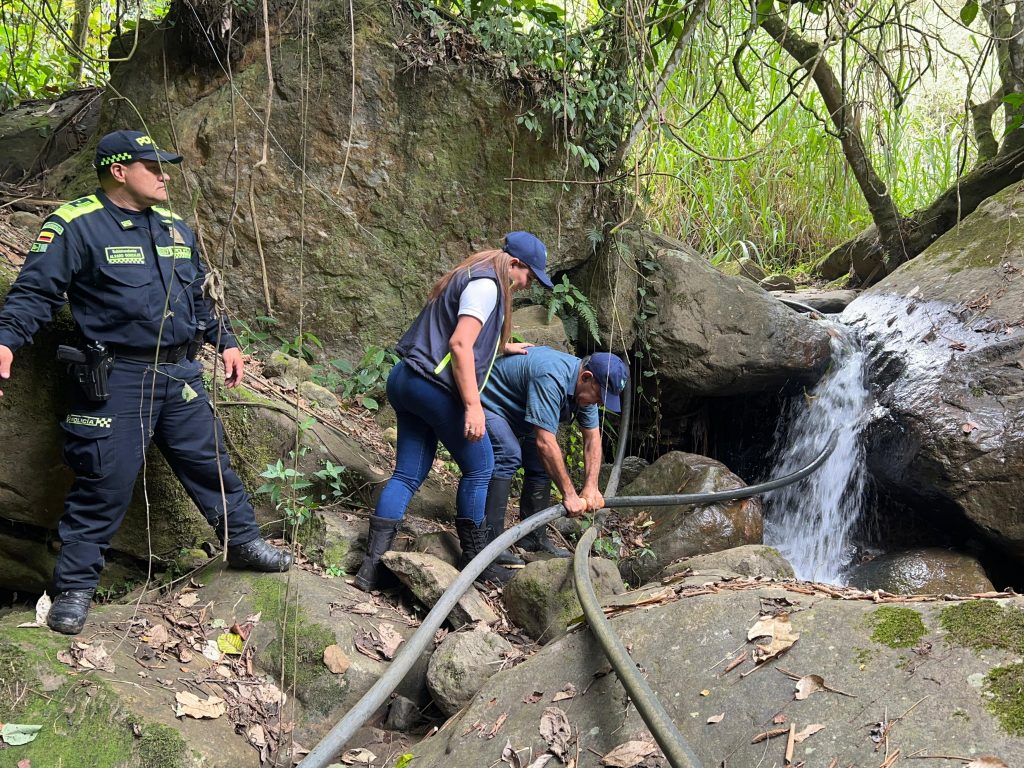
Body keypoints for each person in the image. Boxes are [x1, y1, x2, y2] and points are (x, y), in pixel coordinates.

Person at [0, 130, 292, 636]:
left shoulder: (176, 228)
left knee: (210, 460)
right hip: (118, 376)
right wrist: (5, 341)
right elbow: (34, 294)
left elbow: (201, 298)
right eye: (153, 166)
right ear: (119, 171)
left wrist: (226, 341)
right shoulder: (76, 225)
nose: (165, 175)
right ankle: (73, 591)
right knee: (104, 482)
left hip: (179, 372)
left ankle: (242, 542)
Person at [354, 231, 553, 591]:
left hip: (407, 379)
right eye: (530, 276)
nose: (528, 285)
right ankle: (477, 562)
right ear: (516, 264)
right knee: (481, 467)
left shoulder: (473, 272)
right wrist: (474, 407)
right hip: (433, 387)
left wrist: (501, 346)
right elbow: (460, 344)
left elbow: (457, 331)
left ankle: (370, 568)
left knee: (407, 474)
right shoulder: (489, 286)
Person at [480, 348, 629, 560]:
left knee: (541, 464)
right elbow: (545, 443)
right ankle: (489, 543)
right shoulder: (552, 377)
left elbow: (592, 439)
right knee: (508, 454)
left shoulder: (584, 389)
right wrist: (569, 494)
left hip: (519, 414)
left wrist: (591, 487)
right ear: (587, 377)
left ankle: (533, 538)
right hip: (487, 404)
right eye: (600, 396)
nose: (600, 403)